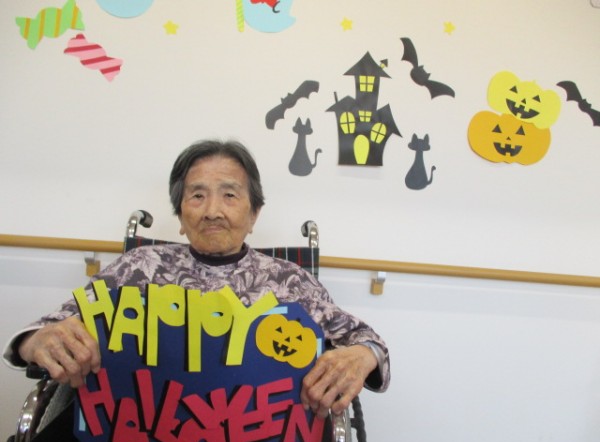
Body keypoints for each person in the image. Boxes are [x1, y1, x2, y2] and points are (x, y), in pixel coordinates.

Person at [3, 139, 390, 420]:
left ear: (254, 214)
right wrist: (38, 340)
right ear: (180, 214)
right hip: (138, 432)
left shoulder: (290, 281)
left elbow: (368, 343)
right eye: (197, 196)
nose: (213, 211)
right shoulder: (139, 267)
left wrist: (360, 356)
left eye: (230, 195)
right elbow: (45, 330)